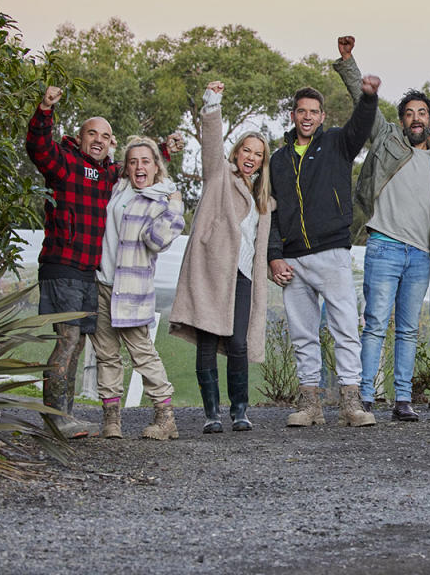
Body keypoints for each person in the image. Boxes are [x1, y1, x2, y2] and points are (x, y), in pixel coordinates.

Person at [333, 36, 430, 422]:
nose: (416, 118)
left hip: (420, 255)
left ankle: (402, 400)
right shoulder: (386, 139)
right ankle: (364, 397)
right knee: (376, 324)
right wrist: (349, 61)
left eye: (422, 114)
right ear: (402, 121)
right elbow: (363, 101)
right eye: (409, 113)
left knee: (409, 329)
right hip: (383, 246)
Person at [267, 78, 381, 427]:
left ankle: (351, 404)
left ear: (322, 116)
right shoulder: (278, 160)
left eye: (314, 112)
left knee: (345, 327)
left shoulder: (336, 143)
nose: (307, 117)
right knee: (303, 334)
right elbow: (269, 212)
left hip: (331, 252)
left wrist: (368, 97)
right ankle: (310, 406)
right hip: (292, 258)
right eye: (301, 111)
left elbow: (360, 125)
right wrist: (274, 255)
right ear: (292, 115)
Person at [169, 81, 275, 433]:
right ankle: (212, 414)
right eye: (246, 150)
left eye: (257, 154)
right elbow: (212, 140)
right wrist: (212, 103)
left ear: (263, 161)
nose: (250, 157)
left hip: (244, 275)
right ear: (236, 153)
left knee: (238, 342)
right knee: (207, 340)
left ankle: (240, 411)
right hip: (212, 272)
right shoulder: (219, 175)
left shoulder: (263, 197)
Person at [25, 86, 119, 438]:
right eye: (92, 133)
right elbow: (38, 147)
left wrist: (164, 152)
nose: (98, 140)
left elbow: (142, 170)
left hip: (86, 273)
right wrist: (45, 110)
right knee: (67, 339)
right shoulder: (64, 163)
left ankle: (63, 416)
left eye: (106, 136)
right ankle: (55, 419)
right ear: (79, 137)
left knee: (76, 342)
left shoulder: (109, 174)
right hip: (61, 266)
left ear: (112, 144)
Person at [93, 137, 184, 440]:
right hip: (103, 284)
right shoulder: (119, 189)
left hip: (132, 289)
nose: (139, 166)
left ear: (157, 166)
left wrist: (175, 205)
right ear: (126, 167)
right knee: (106, 354)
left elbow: (156, 242)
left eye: (145, 161)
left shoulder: (160, 200)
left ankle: (165, 417)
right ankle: (111, 420)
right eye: (133, 161)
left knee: (142, 353)